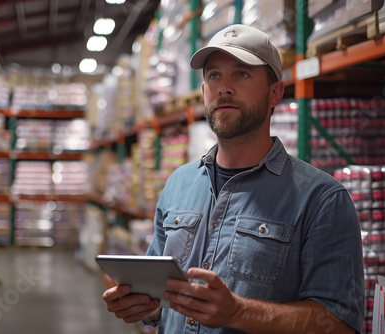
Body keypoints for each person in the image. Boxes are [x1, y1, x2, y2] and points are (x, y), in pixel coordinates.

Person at [102, 24, 365, 334]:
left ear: (274, 93)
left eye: (241, 74)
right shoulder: (178, 184)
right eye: (214, 75)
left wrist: (240, 313)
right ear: (203, 92)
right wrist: (146, 305)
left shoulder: (321, 200)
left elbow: (340, 323)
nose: (223, 87)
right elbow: (160, 297)